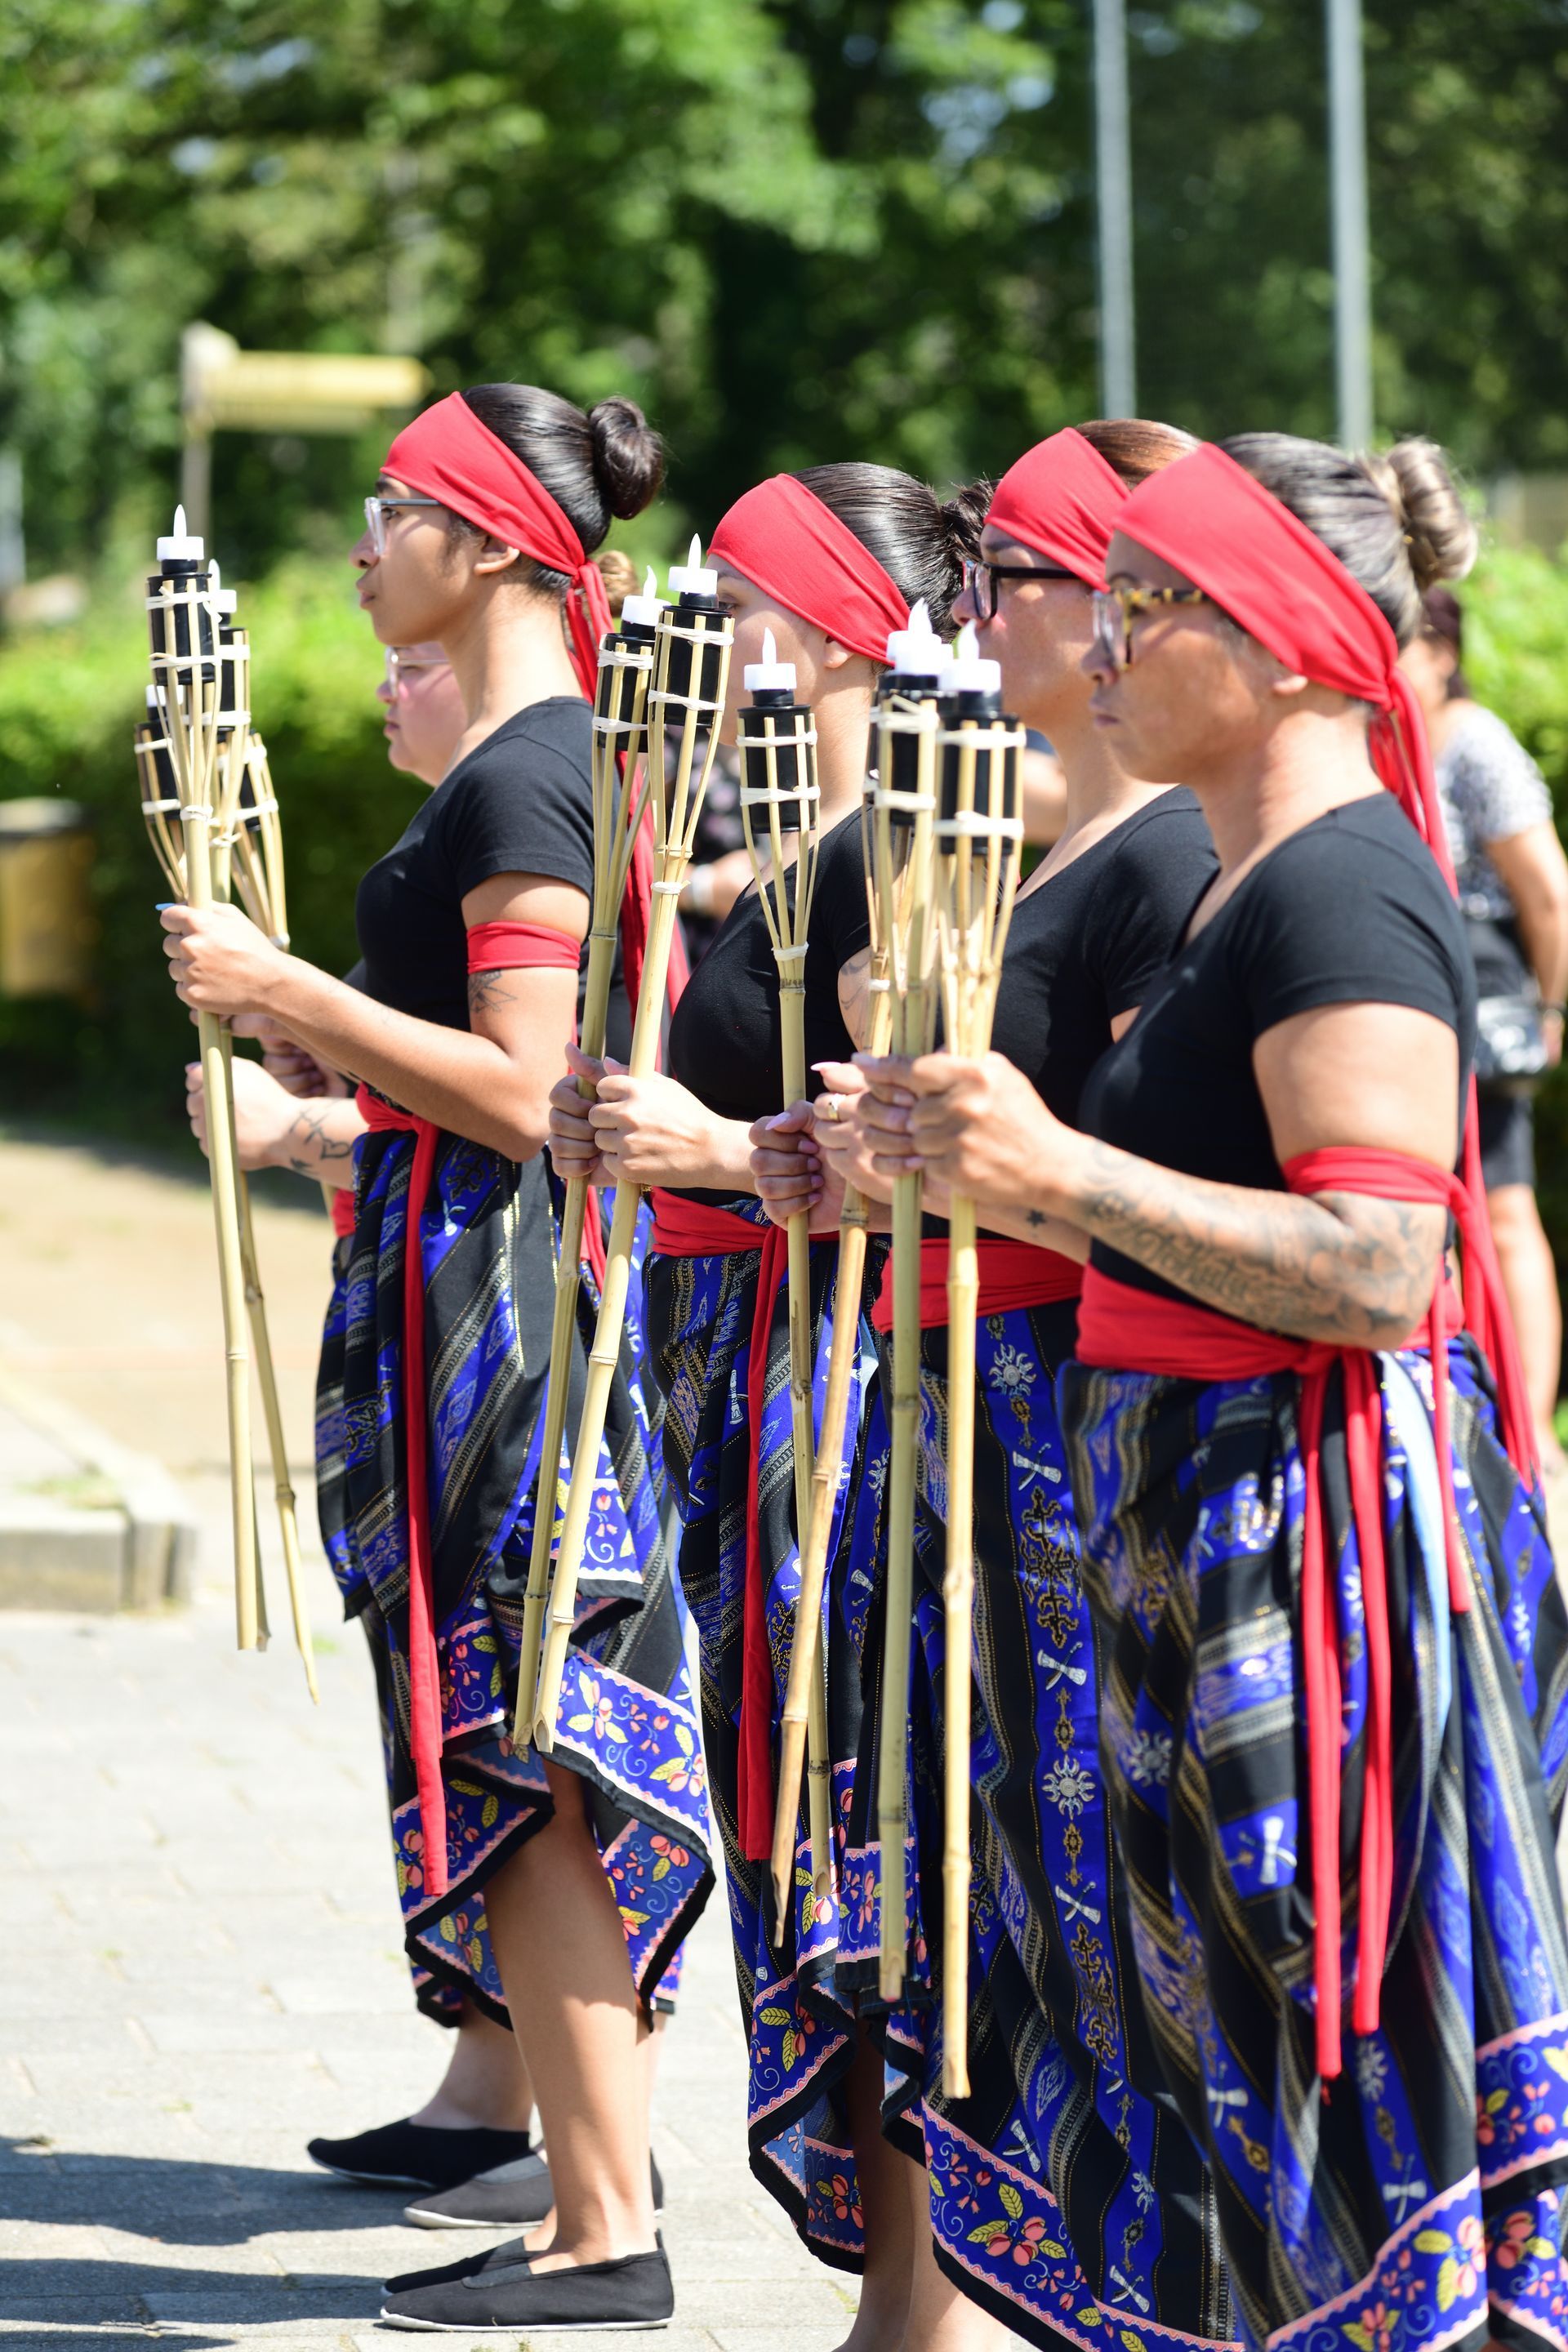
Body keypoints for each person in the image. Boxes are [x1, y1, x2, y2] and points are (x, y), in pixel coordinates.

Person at [845, 431, 1568, 2352]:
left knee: (1311, 2063)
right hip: (1188, 1533)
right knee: (1209, 2074)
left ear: (1297, 638)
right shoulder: (1227, 895)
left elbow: (1381, 1265)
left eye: (1152, 609)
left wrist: (1055, 1172)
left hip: (1301, 1557)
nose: (1100, 647)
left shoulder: (1339, 895)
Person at [162, 382, 713, 2335]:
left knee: (533, 1753)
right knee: (503, 1742)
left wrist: (289, 987)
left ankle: (602, 2224)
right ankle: (568, 2184)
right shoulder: (524, 760)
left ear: (483, 543)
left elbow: (529, 1091)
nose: (361, 539)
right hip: (452, 1282)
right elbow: (455, 1061)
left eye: (391, 505)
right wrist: (330, 1050)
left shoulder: (532, 769)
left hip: (504, 1305)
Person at [764, 426, 1234, 2352]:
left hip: (1052, 1420)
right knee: (927, 1870)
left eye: (1019, 581)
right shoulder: (1017, 840)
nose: (979, 611)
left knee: (1059, 1884)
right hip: (935, 1386)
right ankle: (915, 2307)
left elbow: (1103, 1175)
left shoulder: (1171, 866)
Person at [549, 465, 1003, 2352]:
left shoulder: (891, 854)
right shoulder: (799, 845)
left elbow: (904, 1139)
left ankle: (920, 2311)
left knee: (864, 1848)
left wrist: (711, 1147)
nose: (722, 632)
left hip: (840, 1384)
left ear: (821, 624)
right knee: (813, 1851)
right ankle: (898, 2302)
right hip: (747, 1380)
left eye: (743, 599)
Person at [1401, 587, 1568, 1464]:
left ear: (1439, 650)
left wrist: (1552, 1008)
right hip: (1415, 984)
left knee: (1504, 1210)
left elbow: (1547, 889)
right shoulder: (1384, 733)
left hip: (1484, 986)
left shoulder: (1474, 740)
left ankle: (1533, 1426)